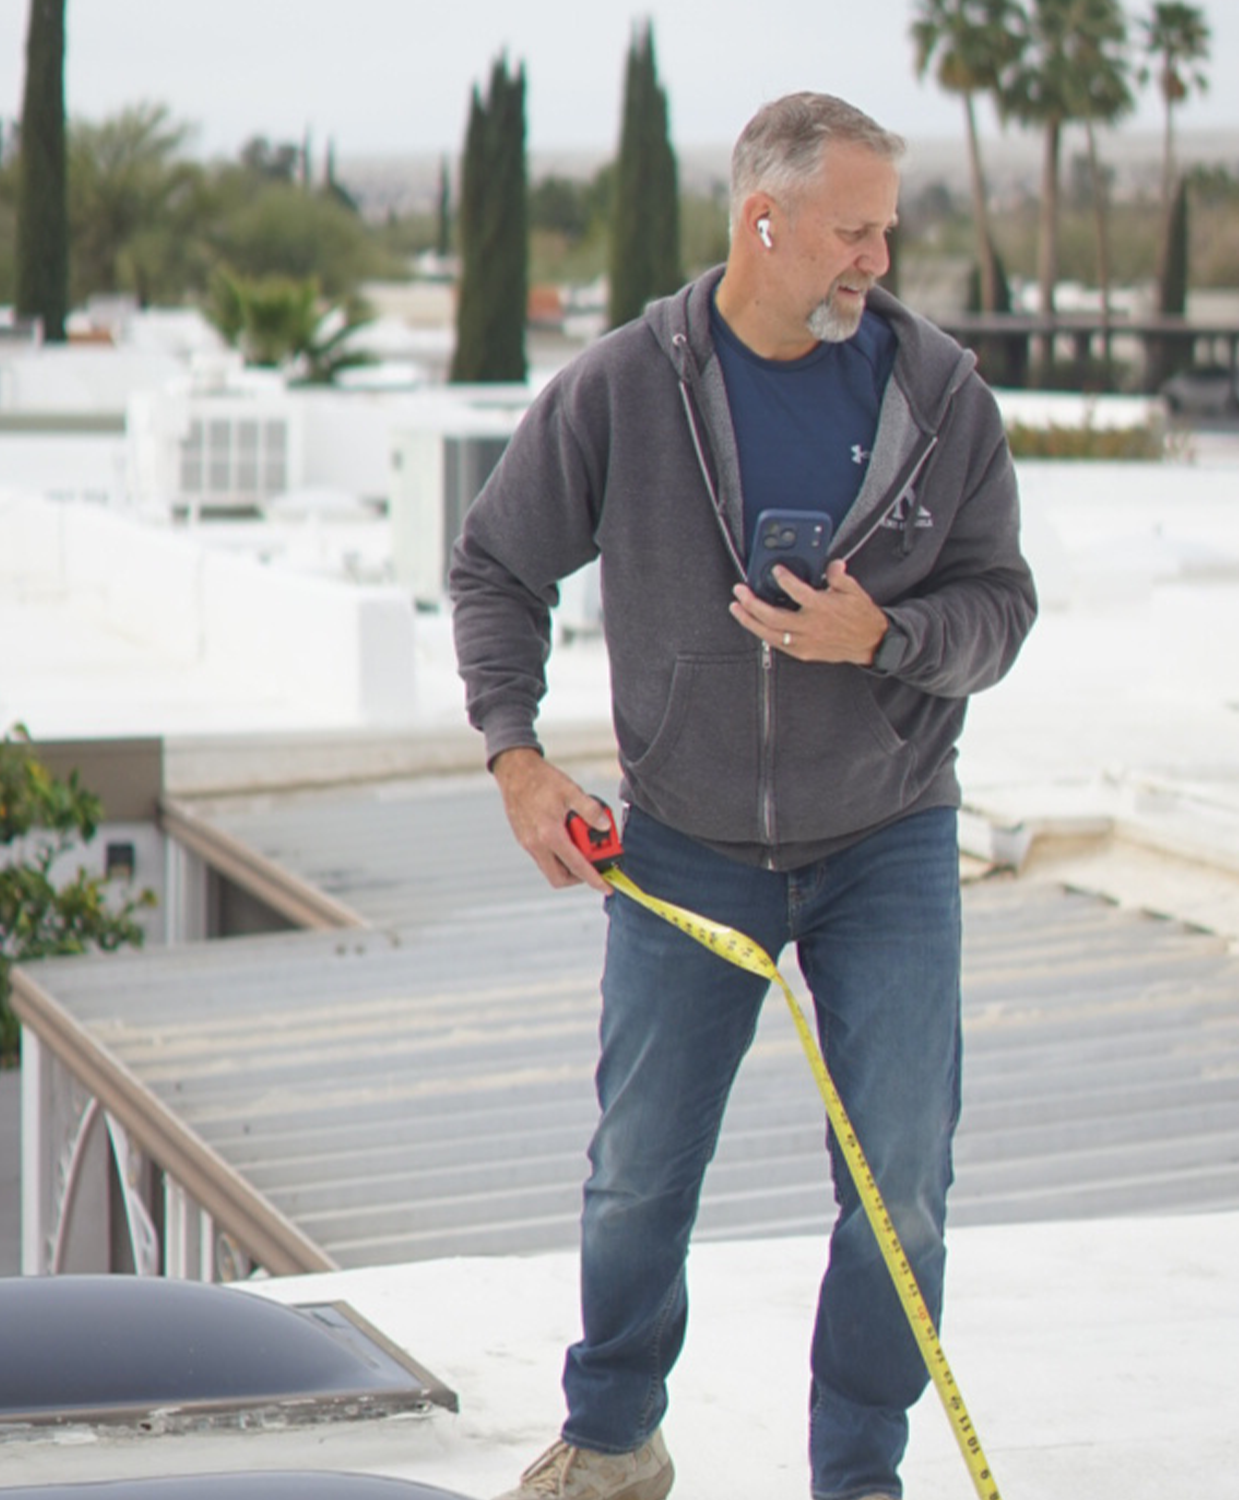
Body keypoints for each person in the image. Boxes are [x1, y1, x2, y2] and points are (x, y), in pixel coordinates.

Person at [449, 91, 1037, 1500]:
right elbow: (495, 565)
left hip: (888, 838)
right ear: (762, 222)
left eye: (887, 231)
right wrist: (516, 759)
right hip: (686, 848)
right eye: (852, 231)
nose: (876, 262)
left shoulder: (939, 394)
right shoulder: (624, 388)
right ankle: (613, 1438)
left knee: (901, 1189)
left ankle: (861, 1477)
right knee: (641, 1174)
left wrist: (882, 638)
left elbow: (1003, 607)